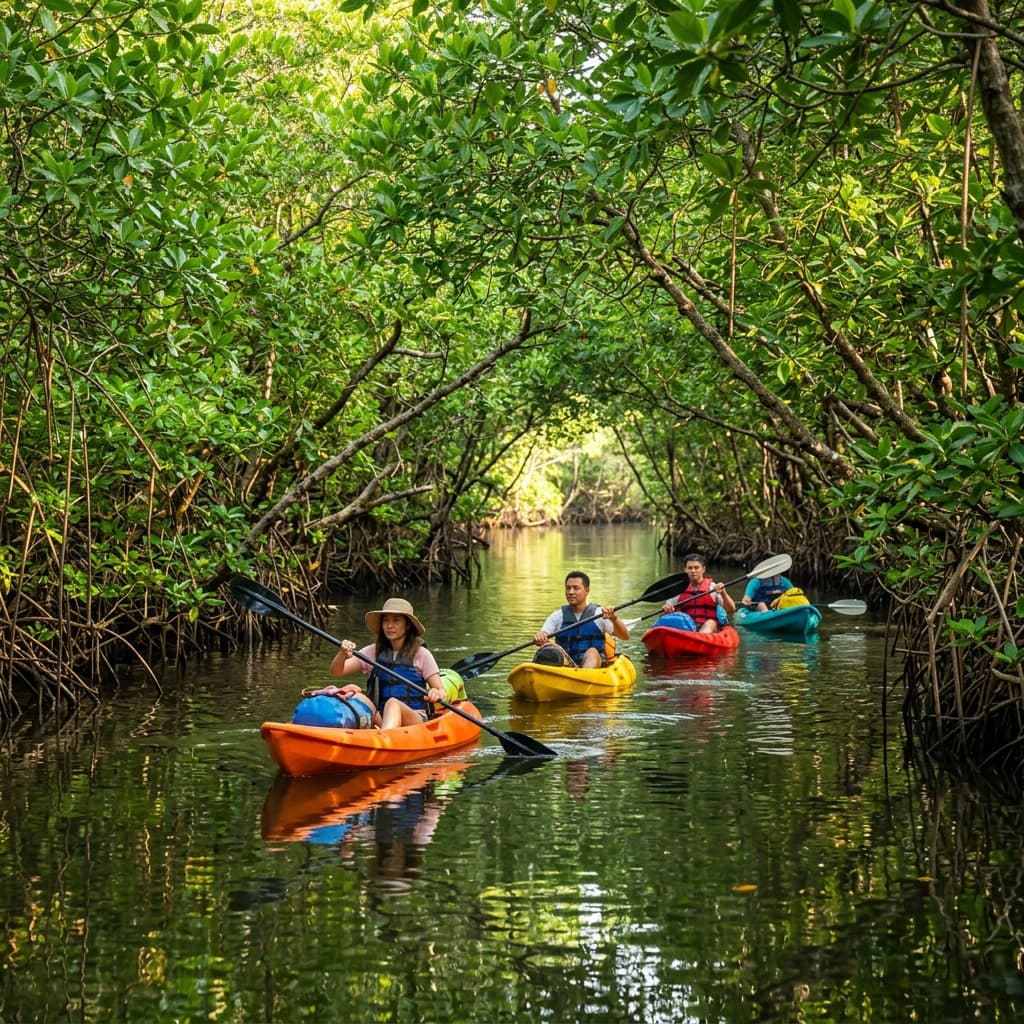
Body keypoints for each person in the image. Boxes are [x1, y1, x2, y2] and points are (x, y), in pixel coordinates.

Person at [329, 597, 446, 730]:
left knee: (393, 703)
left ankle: (384, 737)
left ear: (408, 625)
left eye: (396, 620)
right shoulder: (373, 651)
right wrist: (342, 654)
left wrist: (435, 693)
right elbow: (336, 672)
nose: (389, 626)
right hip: (382, 718)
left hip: (415, 719)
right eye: (386, 620)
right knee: (360, 698)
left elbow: (441, 691)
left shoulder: (422, 654)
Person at [533, 570, 631, 668]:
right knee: (547, 650)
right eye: (568, 588)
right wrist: (539, 637)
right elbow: (543, 634)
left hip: (596, 668)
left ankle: (585, 674)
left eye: (576, 588)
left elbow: (624, 636)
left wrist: (613, 618)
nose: (571, 592)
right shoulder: (557, 616)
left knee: (592, 652)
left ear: (587, 590)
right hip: (567, 667)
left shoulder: (600, 614)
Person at [661, 553, 736, 633]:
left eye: (696, 568)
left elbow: (731, 609)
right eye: (690, 568)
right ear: (685, 570)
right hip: (685, 629)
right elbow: (667, 612)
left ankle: (699, 637)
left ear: (703, 569)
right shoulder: (677, 590)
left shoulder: (713, 588)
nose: (693, 571)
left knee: (710, 623)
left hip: (708, 630)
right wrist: (666, 608)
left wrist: (723, 593)